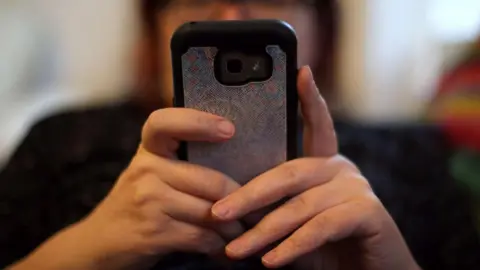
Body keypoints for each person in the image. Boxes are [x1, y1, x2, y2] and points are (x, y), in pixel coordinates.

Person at [0, 1, 422, 269]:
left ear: (322, 24)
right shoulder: (61, 137)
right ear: (156, 22)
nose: (230, 18)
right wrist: (87, 250)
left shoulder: (411, 151)